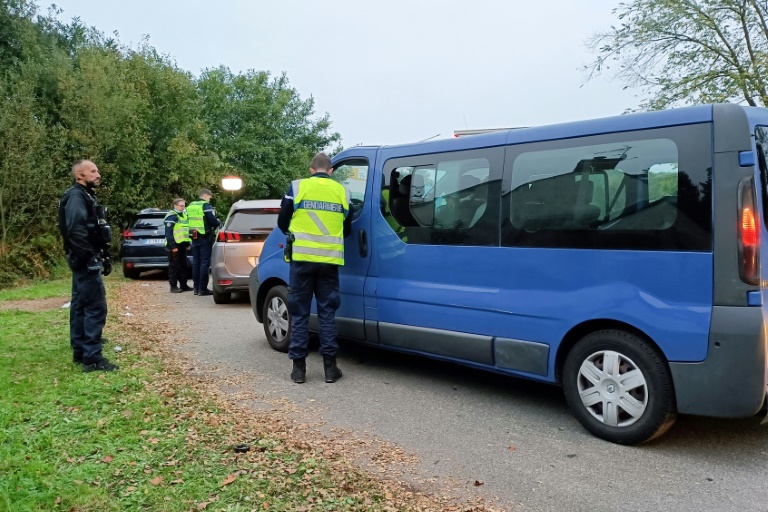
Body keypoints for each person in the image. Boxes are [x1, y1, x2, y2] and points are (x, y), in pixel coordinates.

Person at [277, 152, 352, 384]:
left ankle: (299, 370)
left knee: (299, 313)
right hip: (329, 262)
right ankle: (330, 369)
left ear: (311, 170)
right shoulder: (342, 191)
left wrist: (297, 234)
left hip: (301, 260)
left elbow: (282, 222)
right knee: (327, 314)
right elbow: (347, 227)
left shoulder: (297, 187)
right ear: (330, 171)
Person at [57, 159, 118, 373]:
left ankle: (80, 349)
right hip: (83, 260)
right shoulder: (76, 197)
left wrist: (103, 257)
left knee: (81, 305)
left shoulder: (84, 195)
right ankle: (92, 358)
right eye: (93, 171)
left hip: (83, 259)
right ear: (79, 175)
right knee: (95, 306)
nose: (98, 174)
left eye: (97, 170)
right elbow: (76, 231)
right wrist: (89, 258)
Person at [187, 188, 222, 296]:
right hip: (204, 236)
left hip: (194, 236)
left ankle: (196, 288)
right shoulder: (205, 206)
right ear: (206, 196)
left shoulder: (190, 206)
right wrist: (218, 223)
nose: (210, 200)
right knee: (205, 263)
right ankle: (203, 289)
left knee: (196, 262)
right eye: (209, 197)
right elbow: (212, 220)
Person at [164, 197, 192, 293]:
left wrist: (187, 243)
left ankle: (183, 285)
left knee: (183, 265)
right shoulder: (171, 216)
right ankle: (173, 286)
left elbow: (185, 231)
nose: (183, 207)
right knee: (174, 266)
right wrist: (173, 247)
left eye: (184, 205)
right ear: (175, 205)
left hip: (182, 245)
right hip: (174, 245)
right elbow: (168, 233)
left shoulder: (183, 215)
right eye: (181, 206)